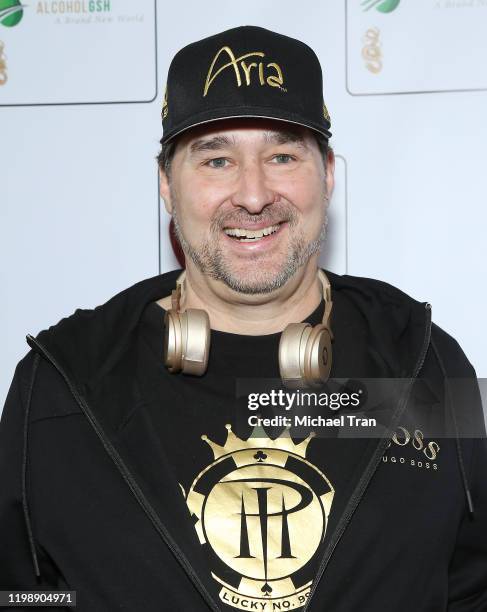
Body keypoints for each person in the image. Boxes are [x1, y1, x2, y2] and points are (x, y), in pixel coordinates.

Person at [1, 25, 486, 612]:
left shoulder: (425, 361)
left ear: (327, 174)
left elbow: (470, 586)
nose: (253, 195)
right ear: (165, 185)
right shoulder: (63, 384)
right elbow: (19, 595)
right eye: (217, 159)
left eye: (282, 155)